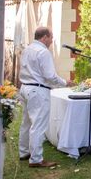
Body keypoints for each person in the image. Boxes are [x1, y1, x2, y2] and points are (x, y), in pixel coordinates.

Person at [18, 27, 71, 168]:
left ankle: (24, 152)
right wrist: (65, 82)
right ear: (45, 37)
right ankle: (36, 159)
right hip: (37, 90)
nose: (52, 41)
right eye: (51, 37)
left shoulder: (27, 49)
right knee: (38, 125)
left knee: (26, 122)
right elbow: (50, 75)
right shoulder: (43, 52)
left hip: (24, 88)